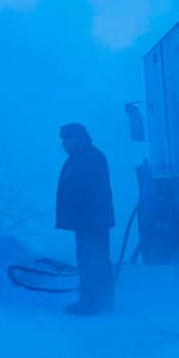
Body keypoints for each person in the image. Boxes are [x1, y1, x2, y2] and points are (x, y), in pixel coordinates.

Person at [55, 122, 115, 315]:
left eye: (66, 140)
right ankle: (97, 301)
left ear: (75, 139)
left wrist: (83, 217)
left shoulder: (88, 158)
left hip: (91, 222)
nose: (63, 144)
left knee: (92, 260)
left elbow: (88, 193)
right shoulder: (83, 157)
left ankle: (93, 303)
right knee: (91, 259)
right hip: (88, 221)